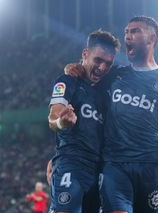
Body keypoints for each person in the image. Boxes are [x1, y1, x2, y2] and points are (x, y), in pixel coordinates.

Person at [65, 15, 158, 213]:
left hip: (152, 169)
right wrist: (72, 68)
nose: (128, 36)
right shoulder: (114, 75)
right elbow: (82, 82)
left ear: (151, 38)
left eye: (135, 31)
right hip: (115, 166)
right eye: (127, 32)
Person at [47, 29, 120, 213]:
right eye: (98, 60)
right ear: (85, 54)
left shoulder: (109, 90)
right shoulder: (68, 81)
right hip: (72, 163)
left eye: (108, 63)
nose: (102, 67)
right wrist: (62, 123)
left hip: (100, 171)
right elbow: (53, 118)